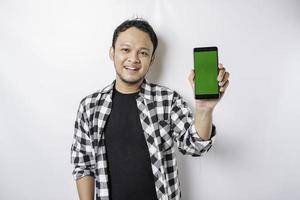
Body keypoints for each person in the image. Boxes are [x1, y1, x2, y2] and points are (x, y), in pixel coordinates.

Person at [70, 18, 230, 200]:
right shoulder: (90, 106)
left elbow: (195, 147)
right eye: (125, 50)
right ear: (112, 53)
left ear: (152, 59)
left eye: (143, 53)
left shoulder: (168, 100)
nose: (133, 59)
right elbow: (83, 164)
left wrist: (204, 110)